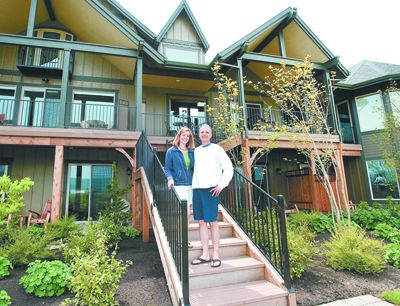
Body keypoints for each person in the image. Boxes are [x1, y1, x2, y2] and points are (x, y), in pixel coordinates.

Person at [190, 124, 233, 268]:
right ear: (199, 134)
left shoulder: (217, 149)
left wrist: (221, 185)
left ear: (211, 134)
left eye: (207, 132)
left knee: (213, 223)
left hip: (211, 190)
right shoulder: (196, 151)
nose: (204, 134)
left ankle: (215, 254)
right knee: (201, 222)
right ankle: (205, 254)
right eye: (202, 132)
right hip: (197, 189)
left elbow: (228, 168)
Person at [164, 127, 195, 248]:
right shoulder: (171, 151)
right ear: (179, 136)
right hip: (179, 185)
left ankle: (183, 238)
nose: (185, 137)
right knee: (185, 212)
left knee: (187, 214)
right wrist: (170, 179)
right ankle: (180, 239)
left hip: (191, 186)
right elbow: (167, 168)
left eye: (188, 136)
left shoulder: (192, 152)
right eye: (183, 135)